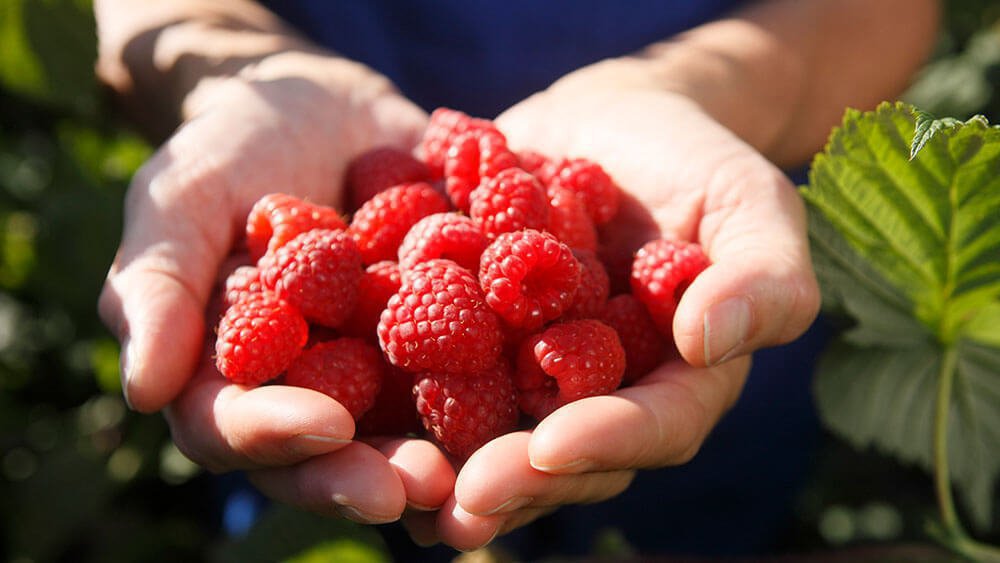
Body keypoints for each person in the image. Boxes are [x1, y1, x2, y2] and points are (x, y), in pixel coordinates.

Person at [93, 0, 940, 558]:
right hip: (329, 475)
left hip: (725, 417)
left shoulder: (562, 264)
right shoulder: (396, 286)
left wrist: (706, 89)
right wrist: (228, 79)